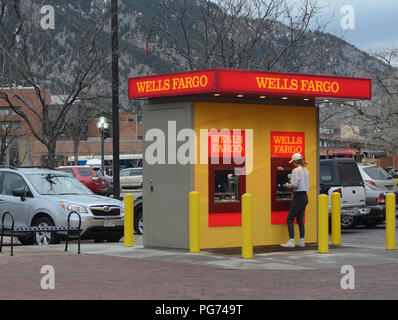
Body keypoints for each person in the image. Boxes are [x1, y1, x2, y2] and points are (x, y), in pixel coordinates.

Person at [280, 153, 309, 248]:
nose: (292, 164)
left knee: (290, 218)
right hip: (304, 196)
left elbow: (295, 185)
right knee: (300, 219)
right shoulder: (306, 170)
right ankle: (301, 241)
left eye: (293, 162)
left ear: (296, 161)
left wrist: (287, 185)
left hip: (298, 196)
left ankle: (291, 241)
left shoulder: (296, 170)